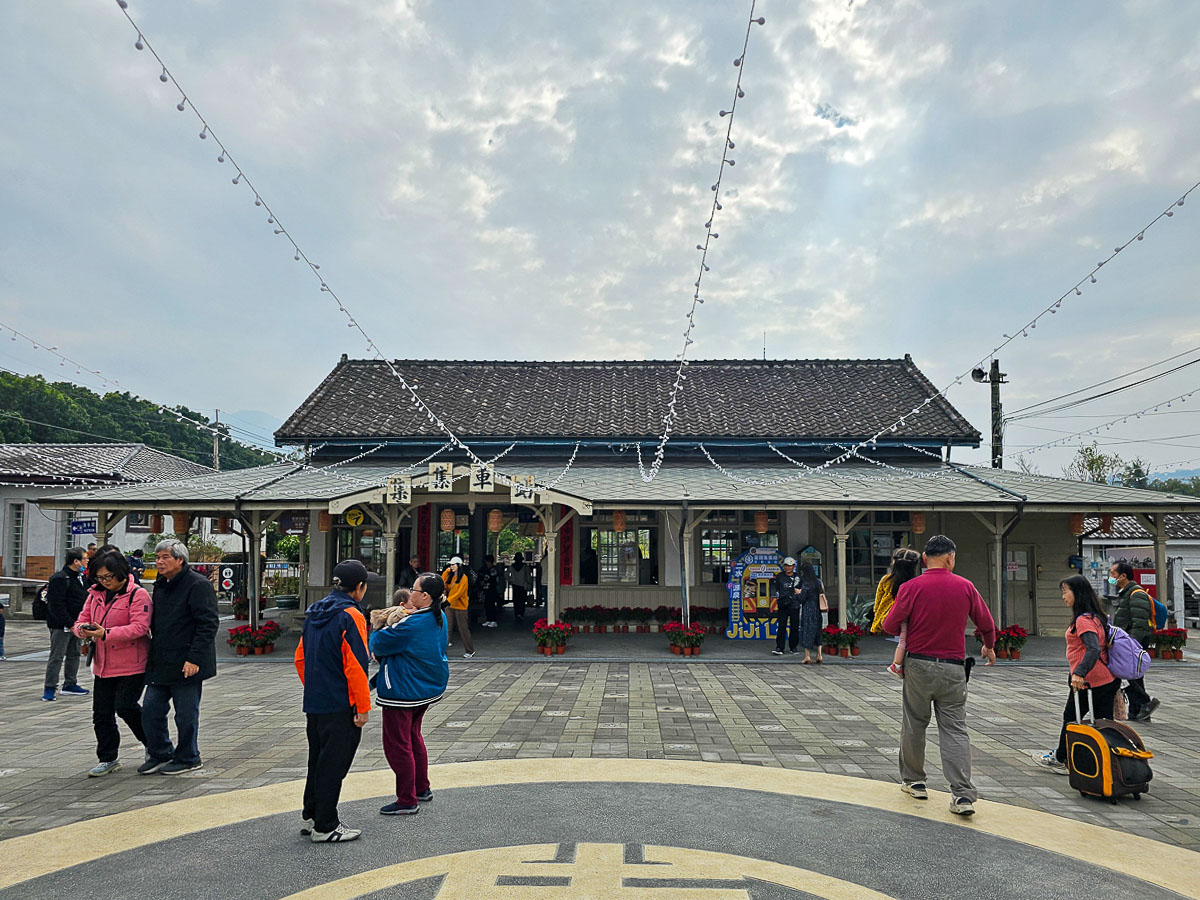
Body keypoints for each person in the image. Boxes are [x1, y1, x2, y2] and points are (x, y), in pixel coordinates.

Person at [882, 534, 996, 817]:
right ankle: (962, 795)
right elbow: (986, 623)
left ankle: (915, 781)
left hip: (919, 666)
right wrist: (989, 646)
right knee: (955, 729)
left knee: (914, 723)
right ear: (950, 557)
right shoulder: (965, 586)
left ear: (924, 559)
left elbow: (889, 624)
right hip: (954, 668)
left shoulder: (911, 587)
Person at [295, 559, 372, 843]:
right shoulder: (351, 615)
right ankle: (326, 825)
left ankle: (311, 814)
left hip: (316, 700)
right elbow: (355, 665)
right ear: (360, 587)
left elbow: (300, 658)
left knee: (317, 759)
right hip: (341, 703)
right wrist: (362, 707)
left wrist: (316, 685)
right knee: (334, 764)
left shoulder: (314, 611)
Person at [369, 572, 450, 816]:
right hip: (427, 686)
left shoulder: (411, 624)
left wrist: (385, 623)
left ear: (424, 596)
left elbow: (378, 643)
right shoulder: (439, 617)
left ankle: (406, 798)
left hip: (403, 689)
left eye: (414, 589)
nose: (409, 592)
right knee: (413, 736)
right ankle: (421, 787)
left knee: (397, 744)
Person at [139, 539, 219, 776]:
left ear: (180, 560)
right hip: (161, 660)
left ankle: (188, 756)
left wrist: (194, 658)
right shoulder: (162, 584)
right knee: (151, 710)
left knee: (185, 715)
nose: (160, 562)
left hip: (187, 662)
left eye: (165, 557)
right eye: (157, 558)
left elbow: (208, 624)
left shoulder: (198, 585)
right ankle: (161, 752)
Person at [73, 552, 152, 777]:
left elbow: (140, 627)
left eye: (108, 576)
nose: (105, 581)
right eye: (100, 577)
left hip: (132, 664)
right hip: (103, 664)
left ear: (120, 573)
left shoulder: (138, 595)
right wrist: (82, 630)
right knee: (101, 714)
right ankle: (108, 757)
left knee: (126, 706)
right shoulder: (95, 595)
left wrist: (105, 633)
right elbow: (80, 619)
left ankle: (153, 745)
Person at [1032, 576, 1121, 774]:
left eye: (1065, 591)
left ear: (1077, 593)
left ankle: (1062, 758)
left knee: (1071, 718)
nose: (1063, 596)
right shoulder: (1096, 616)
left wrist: (1079, 673)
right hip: (1107, 679)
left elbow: (1092, 649)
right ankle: (1109, 761)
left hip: (1089, 682)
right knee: (1104, 722)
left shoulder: (1083, 620)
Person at [1109, 562, 1160, 722]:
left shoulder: (1136, 594)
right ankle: (1138, 711)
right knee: (1135, 675)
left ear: (1123, 576)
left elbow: (1140, 622)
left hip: (1133, 641)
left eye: (1113, 574)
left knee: (1129, 672)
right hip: (1128, 640)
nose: (1111, 577)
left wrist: (1132, 644)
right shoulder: (1125, 593)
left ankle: (1145, 701)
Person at [43, 547, 90, 701]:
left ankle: (70, 683)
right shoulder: (60, 578)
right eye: (84, 558)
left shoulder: (81, 578)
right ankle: (50, 687)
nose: (87, 561)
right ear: (75, 561)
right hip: (61, 625)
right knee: (57, 656)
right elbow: (56, 605)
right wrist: (69, 623)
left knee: (74, 653)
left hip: (78, 624)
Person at [872, 548, 922, 678]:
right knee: (905, 640)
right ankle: (897, 664)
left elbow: (878, 598)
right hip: (911, 616)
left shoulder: (887, 579)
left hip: (891, 615)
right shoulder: (915, 583)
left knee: (902, 640)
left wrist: (877, 614)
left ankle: (898, 664)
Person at [796, 561, 827, 665]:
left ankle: (807, 656)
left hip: (808, 610)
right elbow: (822, 594)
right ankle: (819, 655)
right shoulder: (819, 582)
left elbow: (802, 598)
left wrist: (797, 593)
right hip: (817, 610)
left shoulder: (806, 584)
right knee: (818, 632)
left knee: (807, 632)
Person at [442, 556, 473, 658]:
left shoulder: (464, 578)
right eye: (450, 565)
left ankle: (469, 650)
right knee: (447, 628)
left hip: (460, 607)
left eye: (453, 565)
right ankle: (443, 651)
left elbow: (459, 593)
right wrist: (447, 571)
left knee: (463, 628)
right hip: (450, 606)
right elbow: (443, 582)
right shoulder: (451, 576)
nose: (451, 567)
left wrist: (448, 601)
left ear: (459, 565)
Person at [772, 557, 802, 656]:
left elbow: (801, 590)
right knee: (781, 626)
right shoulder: (780, 576)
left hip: (794, 605)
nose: (788, 568)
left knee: (794, 626)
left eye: (790, 566)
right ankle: (779, 647)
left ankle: (793, 647)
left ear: (793, 566)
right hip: (783, 605)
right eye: (786, 565)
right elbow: (776, 590)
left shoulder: (798, 578)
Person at [507, 552, 533, 622]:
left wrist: (510, 580)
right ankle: (521, 614)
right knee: (522, 601)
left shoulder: (512, 566)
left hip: (515, 585)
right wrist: (530, 584)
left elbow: (506, 574)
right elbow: (529, 576)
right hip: (523, 585)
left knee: (516, 601)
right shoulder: (525, 566)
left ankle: (516, 613)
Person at [478, 555, 502, 628]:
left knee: (491, 604)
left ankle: (493, 620)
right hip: (486, 589)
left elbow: (492, 579)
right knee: (487, 604)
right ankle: (488, 619)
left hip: (492, 589)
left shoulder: (493, 569)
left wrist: (484, 581)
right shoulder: (485, 569)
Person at [0, 595, 7, 659]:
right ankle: (1, 655)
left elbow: (2, 626)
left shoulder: (1, 617)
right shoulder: (1, 617)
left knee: (0, 645)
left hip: (0, 634)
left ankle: (1, 655)